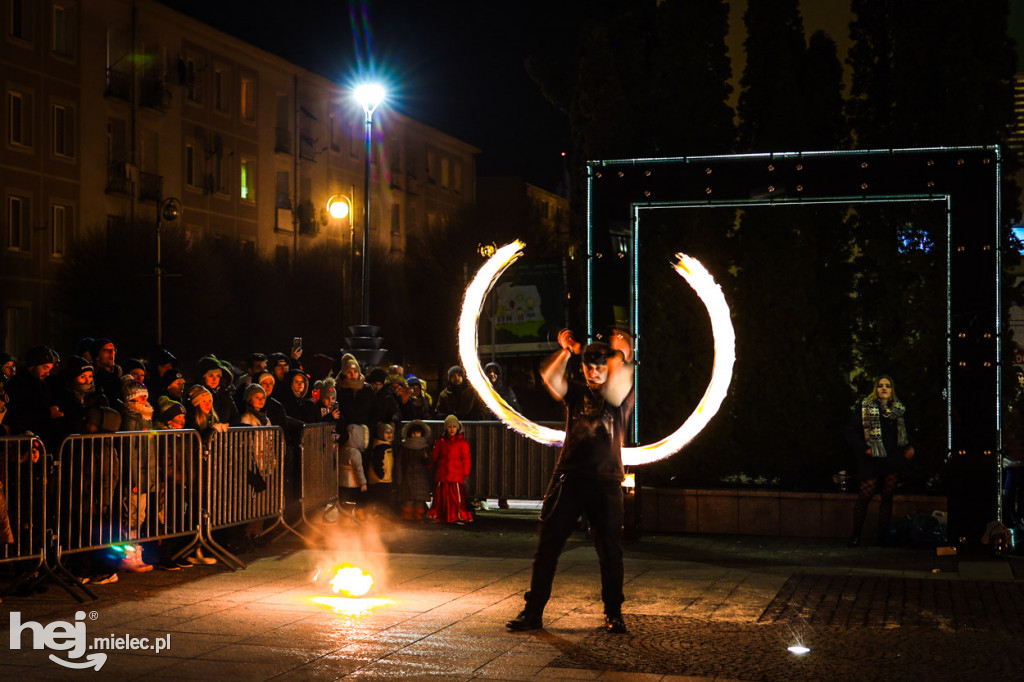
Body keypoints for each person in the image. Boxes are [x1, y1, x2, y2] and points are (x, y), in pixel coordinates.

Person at [506, 331, 634, 635]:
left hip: (606, 480)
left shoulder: (619, 395)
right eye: (589, 366)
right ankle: (533, 612)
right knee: (548, 545)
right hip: (570, 477)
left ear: (609, 366)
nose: (594, 371)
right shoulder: (576, 393)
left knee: (610, 551)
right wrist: (565, 351)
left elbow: (620, 385)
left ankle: (614, 614)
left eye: (600, 366)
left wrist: (622, 355)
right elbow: (549, 376)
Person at [846, 375, 914, 547]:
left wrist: (908, 449)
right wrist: (865, 449)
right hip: (872, 458)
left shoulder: (898, 409)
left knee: (887, 497)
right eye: (880, 386)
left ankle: (882, 537)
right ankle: (855, 535)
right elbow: (851, 432)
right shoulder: (866, 407)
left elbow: (906, 434)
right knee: (865, 496)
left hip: (892, 458)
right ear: (875, 389)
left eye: (888, 386)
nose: (884, 388)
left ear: (892, 390)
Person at [426, 414, 474, 524]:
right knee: (441, 498)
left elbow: (466, 459)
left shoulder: (462, 443)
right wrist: (428, 463)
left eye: (454, 427)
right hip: (443, 474)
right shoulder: (440, 442)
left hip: (456, 475)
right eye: (449, 427)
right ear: (446, 428)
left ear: (457, 428)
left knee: (455, 498)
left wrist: (465, 472)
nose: (451, 429)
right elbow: (435, 456)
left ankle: (457, 515)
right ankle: (441, 515)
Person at [395, 420, 433, 522]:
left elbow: (430, 462)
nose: (416, 434)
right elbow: (399, 463)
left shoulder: (425, 447)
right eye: (414, 432)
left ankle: (419, 517)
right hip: (407, 476)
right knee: (408, 499)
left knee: (420, 500)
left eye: (418, 432)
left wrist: (427, 458)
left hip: (421, 477)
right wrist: (398, 478)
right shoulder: (404, 447)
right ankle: (407, 518)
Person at [338, 423, 369, 520]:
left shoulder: (342, 449)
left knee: (343, 502)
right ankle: (348, 522)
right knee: (351, 502)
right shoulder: (355, 453)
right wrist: (363, 483)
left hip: (341, 482)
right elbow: (358, 469)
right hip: (352, 484)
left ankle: (343, 520)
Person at [365, 422, 395, 517]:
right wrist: (381, 474)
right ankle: (380, 520)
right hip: (380, 480)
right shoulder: (380, 448)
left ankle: (382, 520)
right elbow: (377, 462)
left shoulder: (387, 446)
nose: (389, 434)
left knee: (384, 503)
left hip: (385, 479)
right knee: (381, 503)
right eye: (386, 432)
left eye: (391, 432)